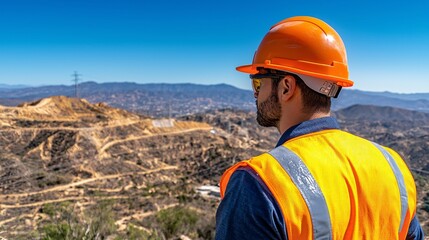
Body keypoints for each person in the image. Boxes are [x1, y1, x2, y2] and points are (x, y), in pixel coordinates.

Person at [215, 16, 424, 239]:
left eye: (258, 83)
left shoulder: (259, 182)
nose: (255, 95)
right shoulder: (393, 166)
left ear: (286, 87)